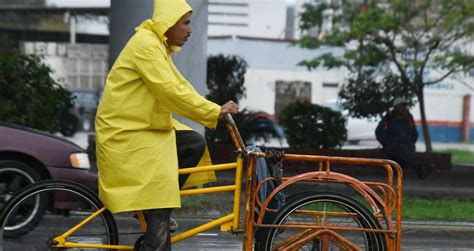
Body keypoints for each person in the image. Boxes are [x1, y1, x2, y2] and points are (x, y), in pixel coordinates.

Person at [94, 0, 238, 250]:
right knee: (161, 188)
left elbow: (180, 85)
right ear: (167, 23)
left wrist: (214, 111)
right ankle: (157, 221)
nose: (189, 30)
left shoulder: (157, 46)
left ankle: (157, 212)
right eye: (185, 23)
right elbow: (170, 92)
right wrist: (214, 111)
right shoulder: (146, 46)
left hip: (143, 128)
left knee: (193, 143)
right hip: (125, 132)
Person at [375, 97, 431, 179]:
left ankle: (420, 167)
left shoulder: (408, 117)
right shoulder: (389, 117)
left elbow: (414, 133)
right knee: (401, 151)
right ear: (396, 107)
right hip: (392, 146)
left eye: (404, 106)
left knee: (405, 151)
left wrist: (411, 143)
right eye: (401, 106)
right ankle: (420, 167)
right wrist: (386, 143)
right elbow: (379, 132)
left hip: (407, 146)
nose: (403, 108)